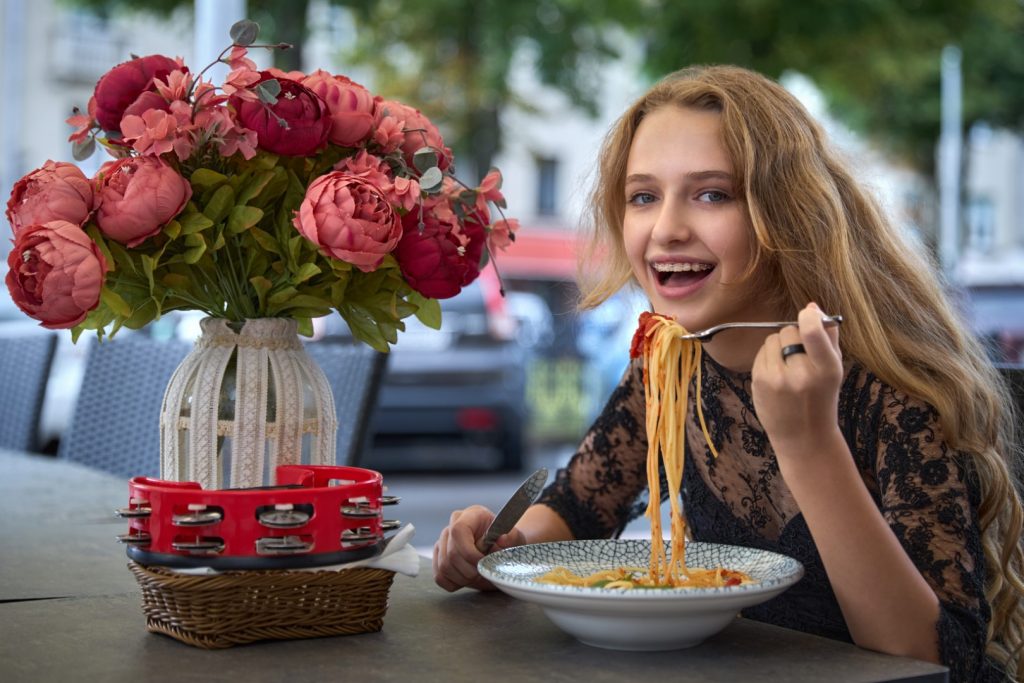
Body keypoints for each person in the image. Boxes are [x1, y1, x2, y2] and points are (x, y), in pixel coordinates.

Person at [432, 65, 1024, 681]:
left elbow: (934, 662)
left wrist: (808, 442)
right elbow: (579, 509)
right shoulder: (671, 362)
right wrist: (504, 548)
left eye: (712, 194)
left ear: (787, 214)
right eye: (643, 196)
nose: (666, 229)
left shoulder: (891, 389)